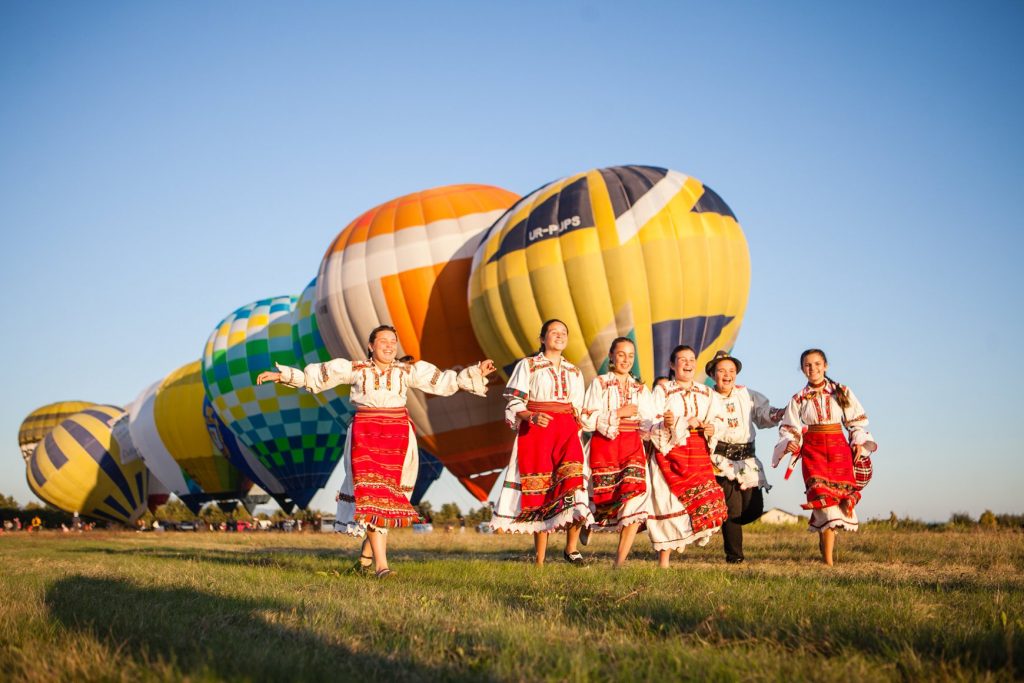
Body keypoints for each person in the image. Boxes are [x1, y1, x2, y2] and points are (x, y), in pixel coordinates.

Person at [259, 324, 495, 579]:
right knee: (372, 496)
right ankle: (382, 567)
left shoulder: (407, 371)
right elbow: (318, 377)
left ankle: (364, 561)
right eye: (383, 340)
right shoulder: (355, 369)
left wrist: (475, 372)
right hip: (366, 433)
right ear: (371, 346)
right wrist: (283, 376)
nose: (389, 345)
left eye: (393, 341)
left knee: (385, 500)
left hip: (397, 435)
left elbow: (443, 382)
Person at [490, 319, 592, 566]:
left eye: (563, 332)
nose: (559, 336)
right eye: (553, 332)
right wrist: (531, 416)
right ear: (542, 338)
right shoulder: (529, 366)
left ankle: (571, 548)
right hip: (537, 431)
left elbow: (579, 408)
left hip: (567, 432)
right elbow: (514, 402)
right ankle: (540, 560)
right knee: (541, 491)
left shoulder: (574, 371)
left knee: (574, 484)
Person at [772, 348, 877, 566]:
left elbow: (855, 422)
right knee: (823, 499)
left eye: (817, 364)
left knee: (834, 503)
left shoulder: (842, 391)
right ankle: (829, 563)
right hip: (813, 452)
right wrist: (790, 442)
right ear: (802, 369)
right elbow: (789, 427)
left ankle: (825, 551)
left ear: (825, 366)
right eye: (808, 365)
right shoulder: (798, 398)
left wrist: (858, 443)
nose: (813, 369)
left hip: (838, 449)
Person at [646, 345, 729, 567]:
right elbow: (650, 420)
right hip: (670, 451)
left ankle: (693, 533)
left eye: (691, 359)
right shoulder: (662, 391)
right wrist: (677, 423)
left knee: (703, 498)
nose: (688, 363)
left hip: (697, 452)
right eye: (682, 359)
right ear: (672, 365)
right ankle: (664, 561)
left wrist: (712, 427)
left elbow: (720, 418)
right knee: (668, 502)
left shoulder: (706, 392)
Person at [579, 337, 657, 568]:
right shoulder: (600, 383)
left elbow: (651, 420)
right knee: (600, 497)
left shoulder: (641, 388)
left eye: (630, 355)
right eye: (621, 354)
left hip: (632, 446)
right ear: (611, 356)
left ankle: (619, 562)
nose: (626, 360)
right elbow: (586, 418)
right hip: (605, 445)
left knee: (635, 498)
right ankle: (589, 522)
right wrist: (618, 413)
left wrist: (668, 425)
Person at [705, 350, 783, 564]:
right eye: (721, 370)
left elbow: (763, 414)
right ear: (713, 374)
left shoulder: (747, 395)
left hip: (747, 459)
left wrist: (781, 413)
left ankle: (724, 520)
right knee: (733, 508)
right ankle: (735, 556)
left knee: (753, 508)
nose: (727, 375)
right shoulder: (706, 398)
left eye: (731, 370)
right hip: (722, 459)